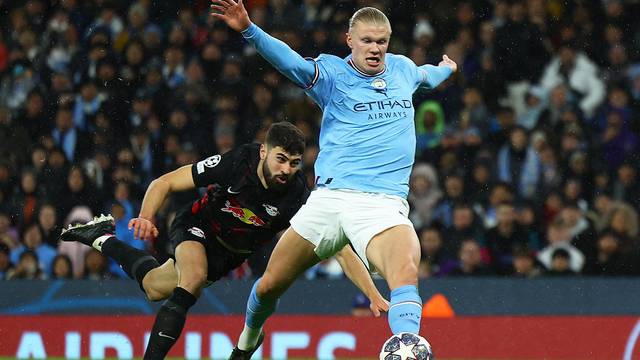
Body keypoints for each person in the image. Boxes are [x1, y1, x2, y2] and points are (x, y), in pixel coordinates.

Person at [211, 2, 457, 358]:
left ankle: (406, 347)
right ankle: (248, 341)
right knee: (268, 287)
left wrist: (445, 68)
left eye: (383, 42)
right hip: (328, 201)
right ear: (350, 40)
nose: (376, 49)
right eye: (368, 41)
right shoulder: (331, 74)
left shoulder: (401, 70)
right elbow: (290, 62)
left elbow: (426, 75)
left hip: (381, 203)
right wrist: (250, 29)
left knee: (405, 270)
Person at [60, 122, 376, 359]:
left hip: (229, 255)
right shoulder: (238, 162)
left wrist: (371, 293)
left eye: (294, 164)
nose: (286, 170)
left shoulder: (297, 197)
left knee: (156, 286)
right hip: (196, 225)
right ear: (264, 150)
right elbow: (165, 182)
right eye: (281, 159)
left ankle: (100, 236)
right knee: (193, 278)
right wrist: (145, 216)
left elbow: (341, 248)